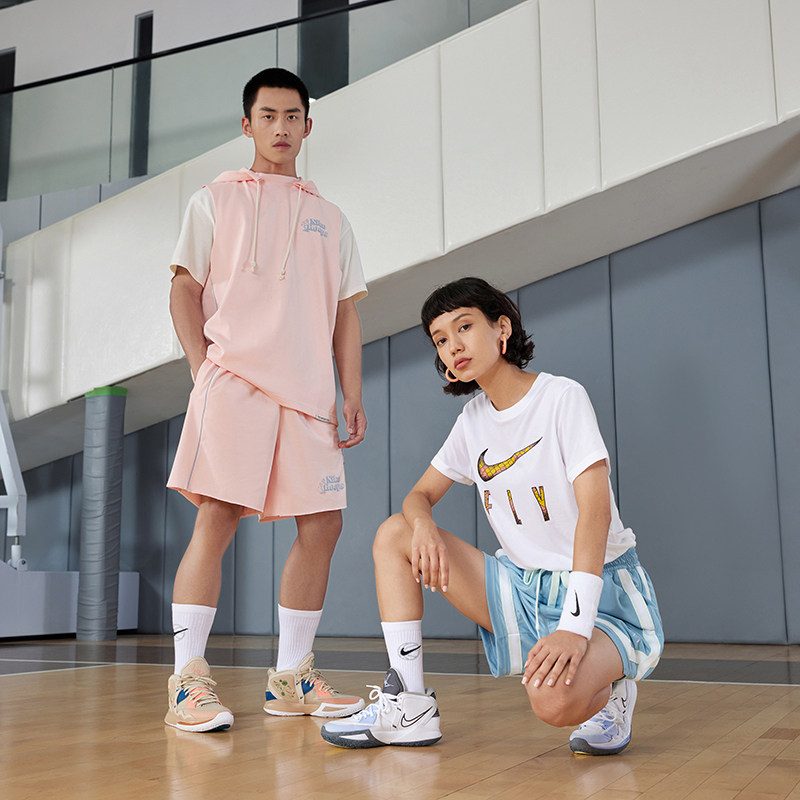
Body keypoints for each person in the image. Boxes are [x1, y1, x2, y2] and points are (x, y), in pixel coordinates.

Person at [321, 277, 663, 754]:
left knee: (552, 703)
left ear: (502, 328)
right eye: (440, 339)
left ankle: (614, 691)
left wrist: (573, 626)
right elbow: (418, 496)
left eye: (464, 327)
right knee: (395, 533)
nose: (453, 346)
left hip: (599, 591)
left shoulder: (562, 397)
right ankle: (410, 705)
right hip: (523, 586)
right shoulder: (473, 421)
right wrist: (423, 525)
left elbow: (595, 514)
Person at [164, 68, 368, 733]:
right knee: (218, 516)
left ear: (308, 126)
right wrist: (201, 368)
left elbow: (344, 313)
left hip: (307, 393)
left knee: (324, 524)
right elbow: (184, 287)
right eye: (268, 116)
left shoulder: (332, 219)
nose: (281, 128)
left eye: (292, 116)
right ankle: (187, 682)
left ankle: (292, 678)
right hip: (234, 383)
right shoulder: (213, 200)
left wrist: (351, 392)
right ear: (247, 124)